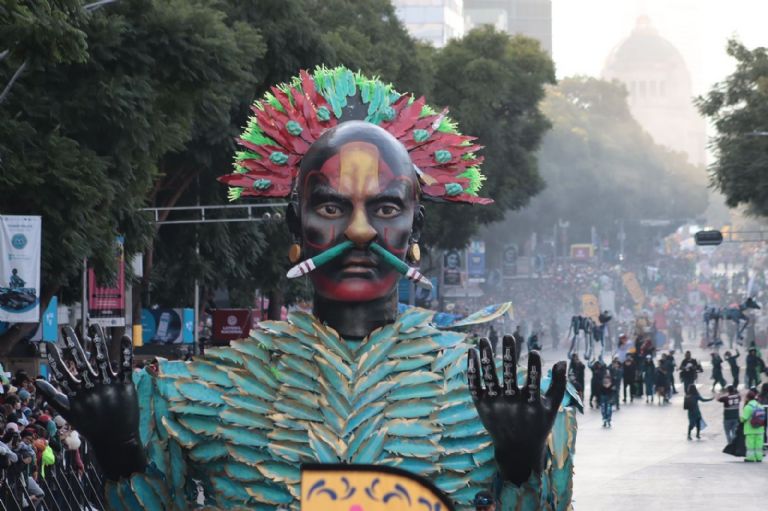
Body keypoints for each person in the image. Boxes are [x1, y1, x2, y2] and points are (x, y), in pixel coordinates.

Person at [35, 68, 580, 509]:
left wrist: (523, 467)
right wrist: (124, 454)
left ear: (417, 230)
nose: (361, 231)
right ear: (295, 227)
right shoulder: (204, 392)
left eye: (386, 208)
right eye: (331, 207)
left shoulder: (486, 393)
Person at [740, 389, 766, 461]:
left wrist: (740, 416)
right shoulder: (760, 406)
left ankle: (751, 458)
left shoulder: (748, 407)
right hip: (760, 429)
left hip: (750, 430)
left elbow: (743, 419)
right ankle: (759, 457)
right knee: (759, 445)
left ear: (748, 398)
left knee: (750, 445)